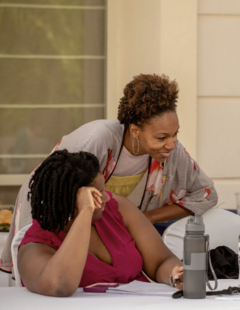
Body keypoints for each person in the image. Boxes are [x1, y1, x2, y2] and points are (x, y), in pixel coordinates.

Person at [1, 73, 218, 273]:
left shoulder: (172, 151)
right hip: (52, 220)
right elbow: (59, 188)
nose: (171, 144)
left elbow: (205, 194)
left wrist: (146, 218)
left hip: (102, 236)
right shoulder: (96, 140)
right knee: (46, 280)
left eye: (175, 134)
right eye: (162, 137)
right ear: (134, 130)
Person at [18, 150, 183, 296]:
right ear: (69, 201)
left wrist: (174, 275)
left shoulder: (116, 209)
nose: (106, 197)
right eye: (97, 194)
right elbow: (60, 286)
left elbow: (161, 261)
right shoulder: (36, 244)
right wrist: (85, 212)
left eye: (103, 190)